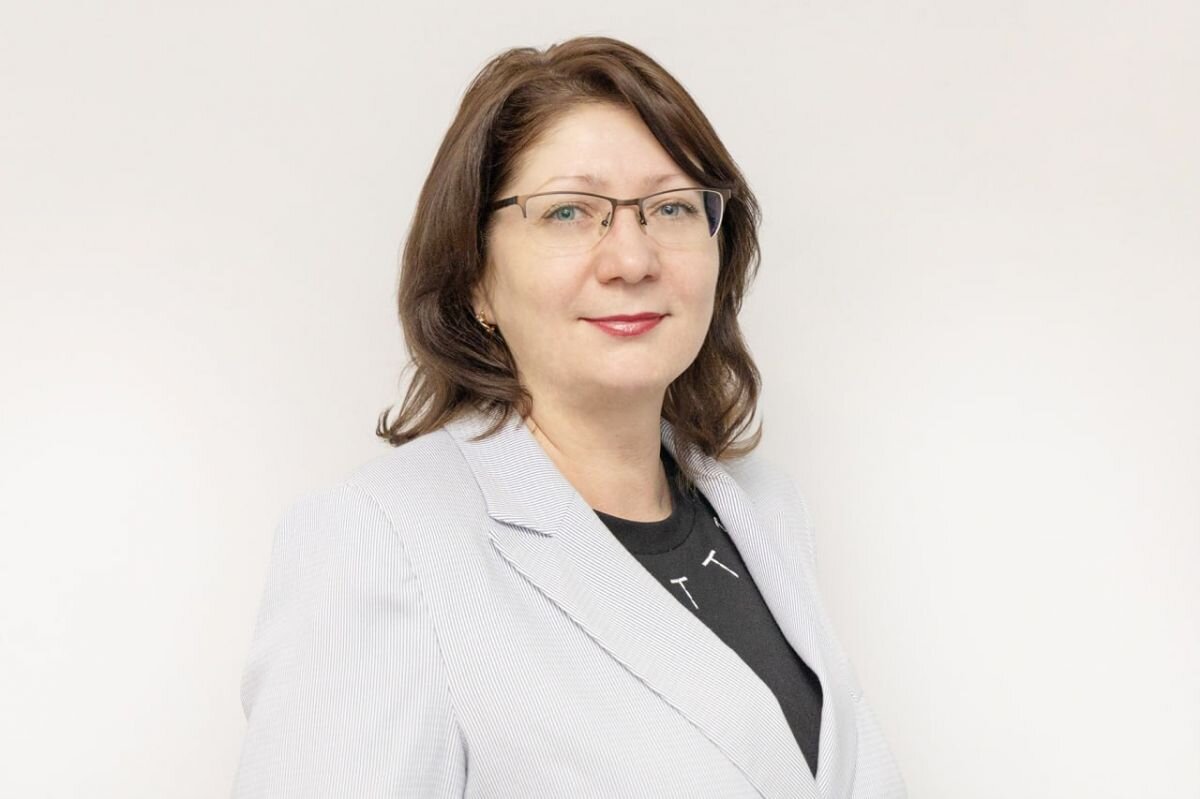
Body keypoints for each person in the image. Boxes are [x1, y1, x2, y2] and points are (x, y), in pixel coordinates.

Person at [232, 36, 905, 798]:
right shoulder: (378, 545)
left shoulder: (768, 510)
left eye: (672, 207)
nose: (632, 259)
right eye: (567, 212)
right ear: (475, 277)